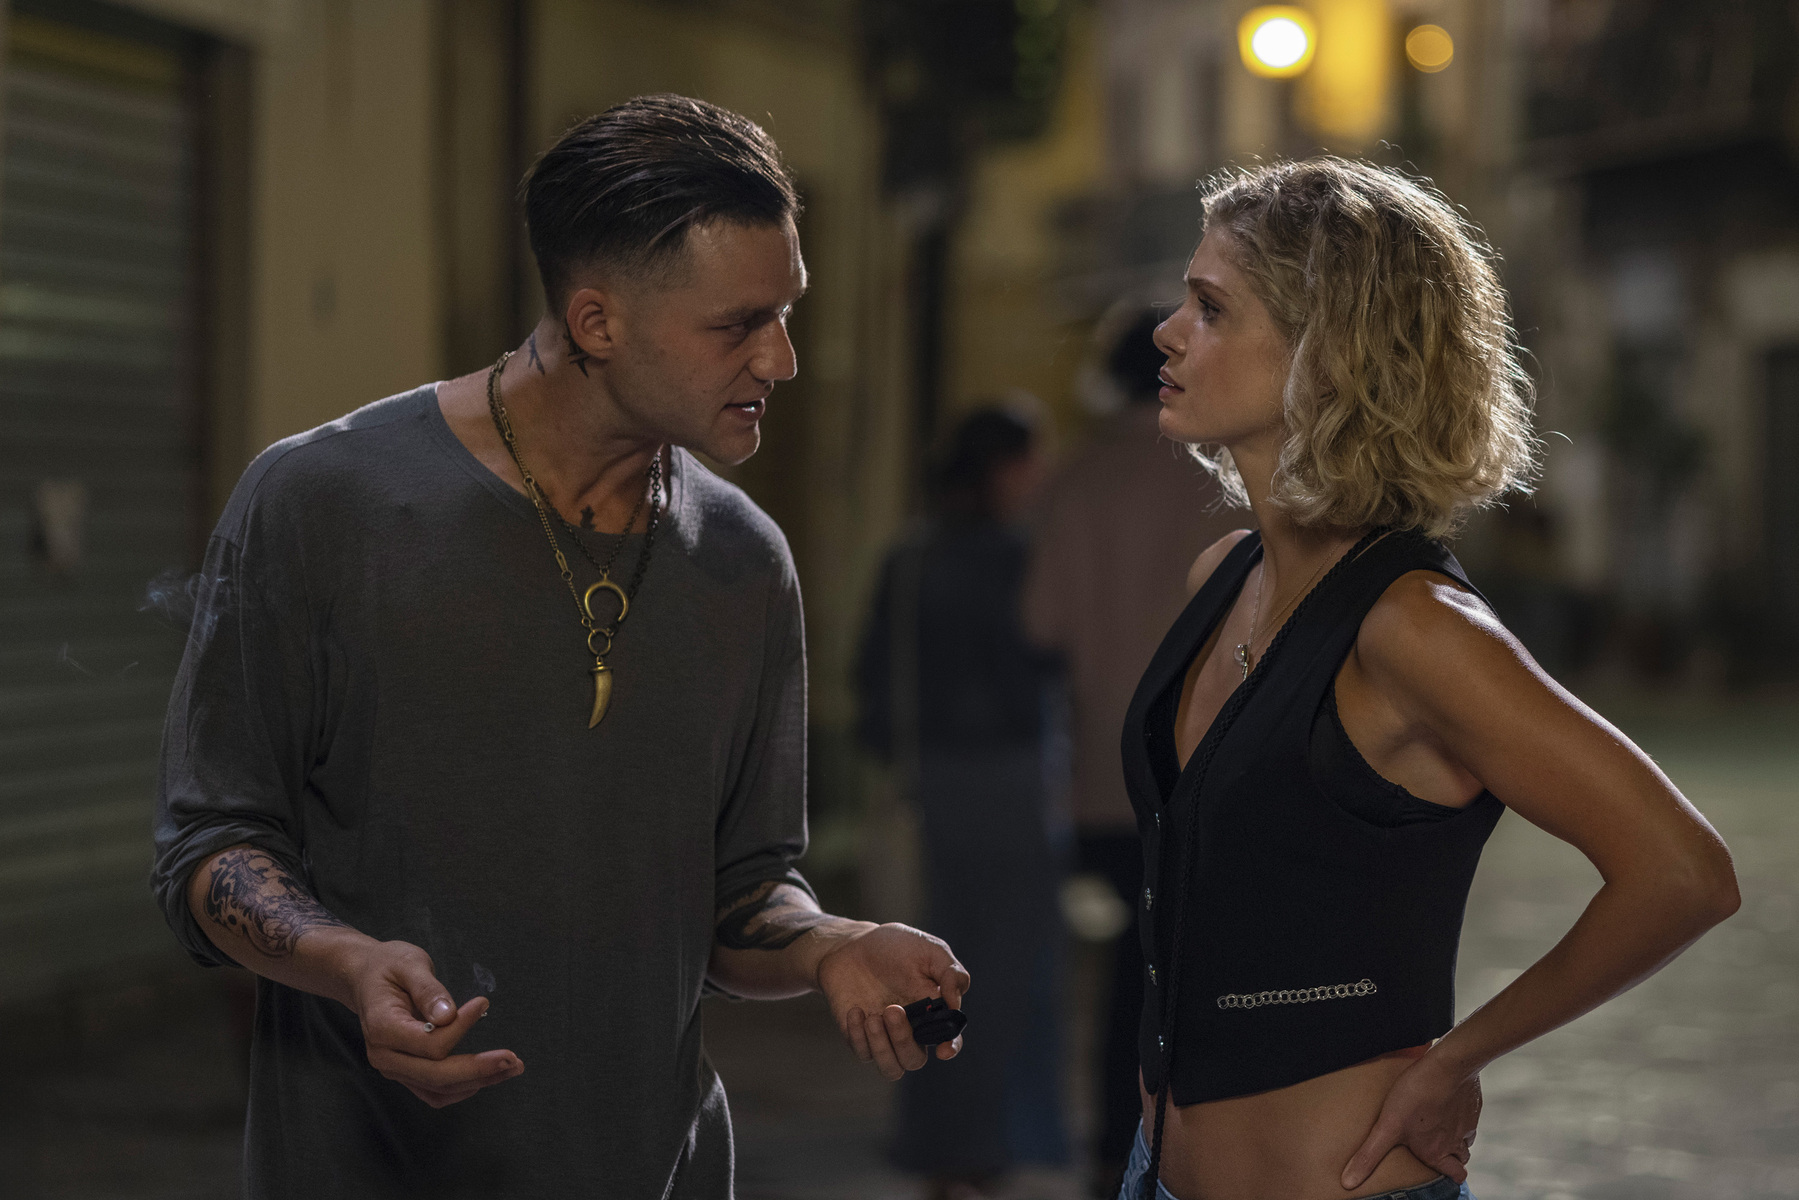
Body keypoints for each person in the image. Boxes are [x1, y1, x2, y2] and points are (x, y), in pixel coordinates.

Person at [150, 94, 969, 1199]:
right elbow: (210, 845)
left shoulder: (744, 560)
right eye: (737, 325)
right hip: (371, 1167)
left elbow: (739, 891)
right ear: (596, 322)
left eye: (786, 313)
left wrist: (831, 945)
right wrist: (349, 965)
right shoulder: (324, 501)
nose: (780, 359)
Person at [1118, 158, 1740, 1200]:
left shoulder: (1415, 629)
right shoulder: (1222, 576)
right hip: (1153, 1175)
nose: (1167, 333)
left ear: (1327, 354)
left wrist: (1460, 1058)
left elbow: (1683, 873)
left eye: (1210, 307)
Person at [1023, 309, 1247, 1196]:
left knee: (1128, 969)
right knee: (1200, 967)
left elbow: (1039, 623)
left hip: (1102, 773)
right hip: (1205, 765)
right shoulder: (1220, 474)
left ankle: (1116, 1147)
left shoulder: (1076, 478)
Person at [856, 405, 1070, 1198]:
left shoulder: (910, 556)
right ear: (1002, 468)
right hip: (1007, 783)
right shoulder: (1017, 556)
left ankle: (935, 1142)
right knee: (1003, 974)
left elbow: (873, 677)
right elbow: (1042, 664)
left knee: (925, 970)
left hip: (932, 784)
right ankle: (984, 1143)